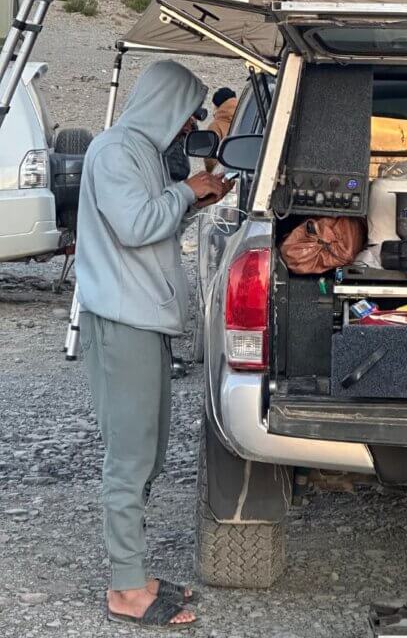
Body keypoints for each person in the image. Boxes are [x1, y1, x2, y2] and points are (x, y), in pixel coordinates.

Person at [75, 61, 233, 628]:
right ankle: (124, 590)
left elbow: (151, 230)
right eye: (188, 115)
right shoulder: (116, 150)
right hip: (122, 324)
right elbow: (136, 225)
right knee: (130, 457)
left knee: (150, 454)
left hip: (143, 321)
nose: (191, 128)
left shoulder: (139, 151)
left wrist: (192, 203)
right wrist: (186, 191)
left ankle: (134, 574)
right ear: (166, 105)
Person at [204, 87, 238, 171]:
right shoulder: (245, 115)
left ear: (217, 106)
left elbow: (210, 159)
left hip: (225, 174)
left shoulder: (216, 126)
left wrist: (209, 171)